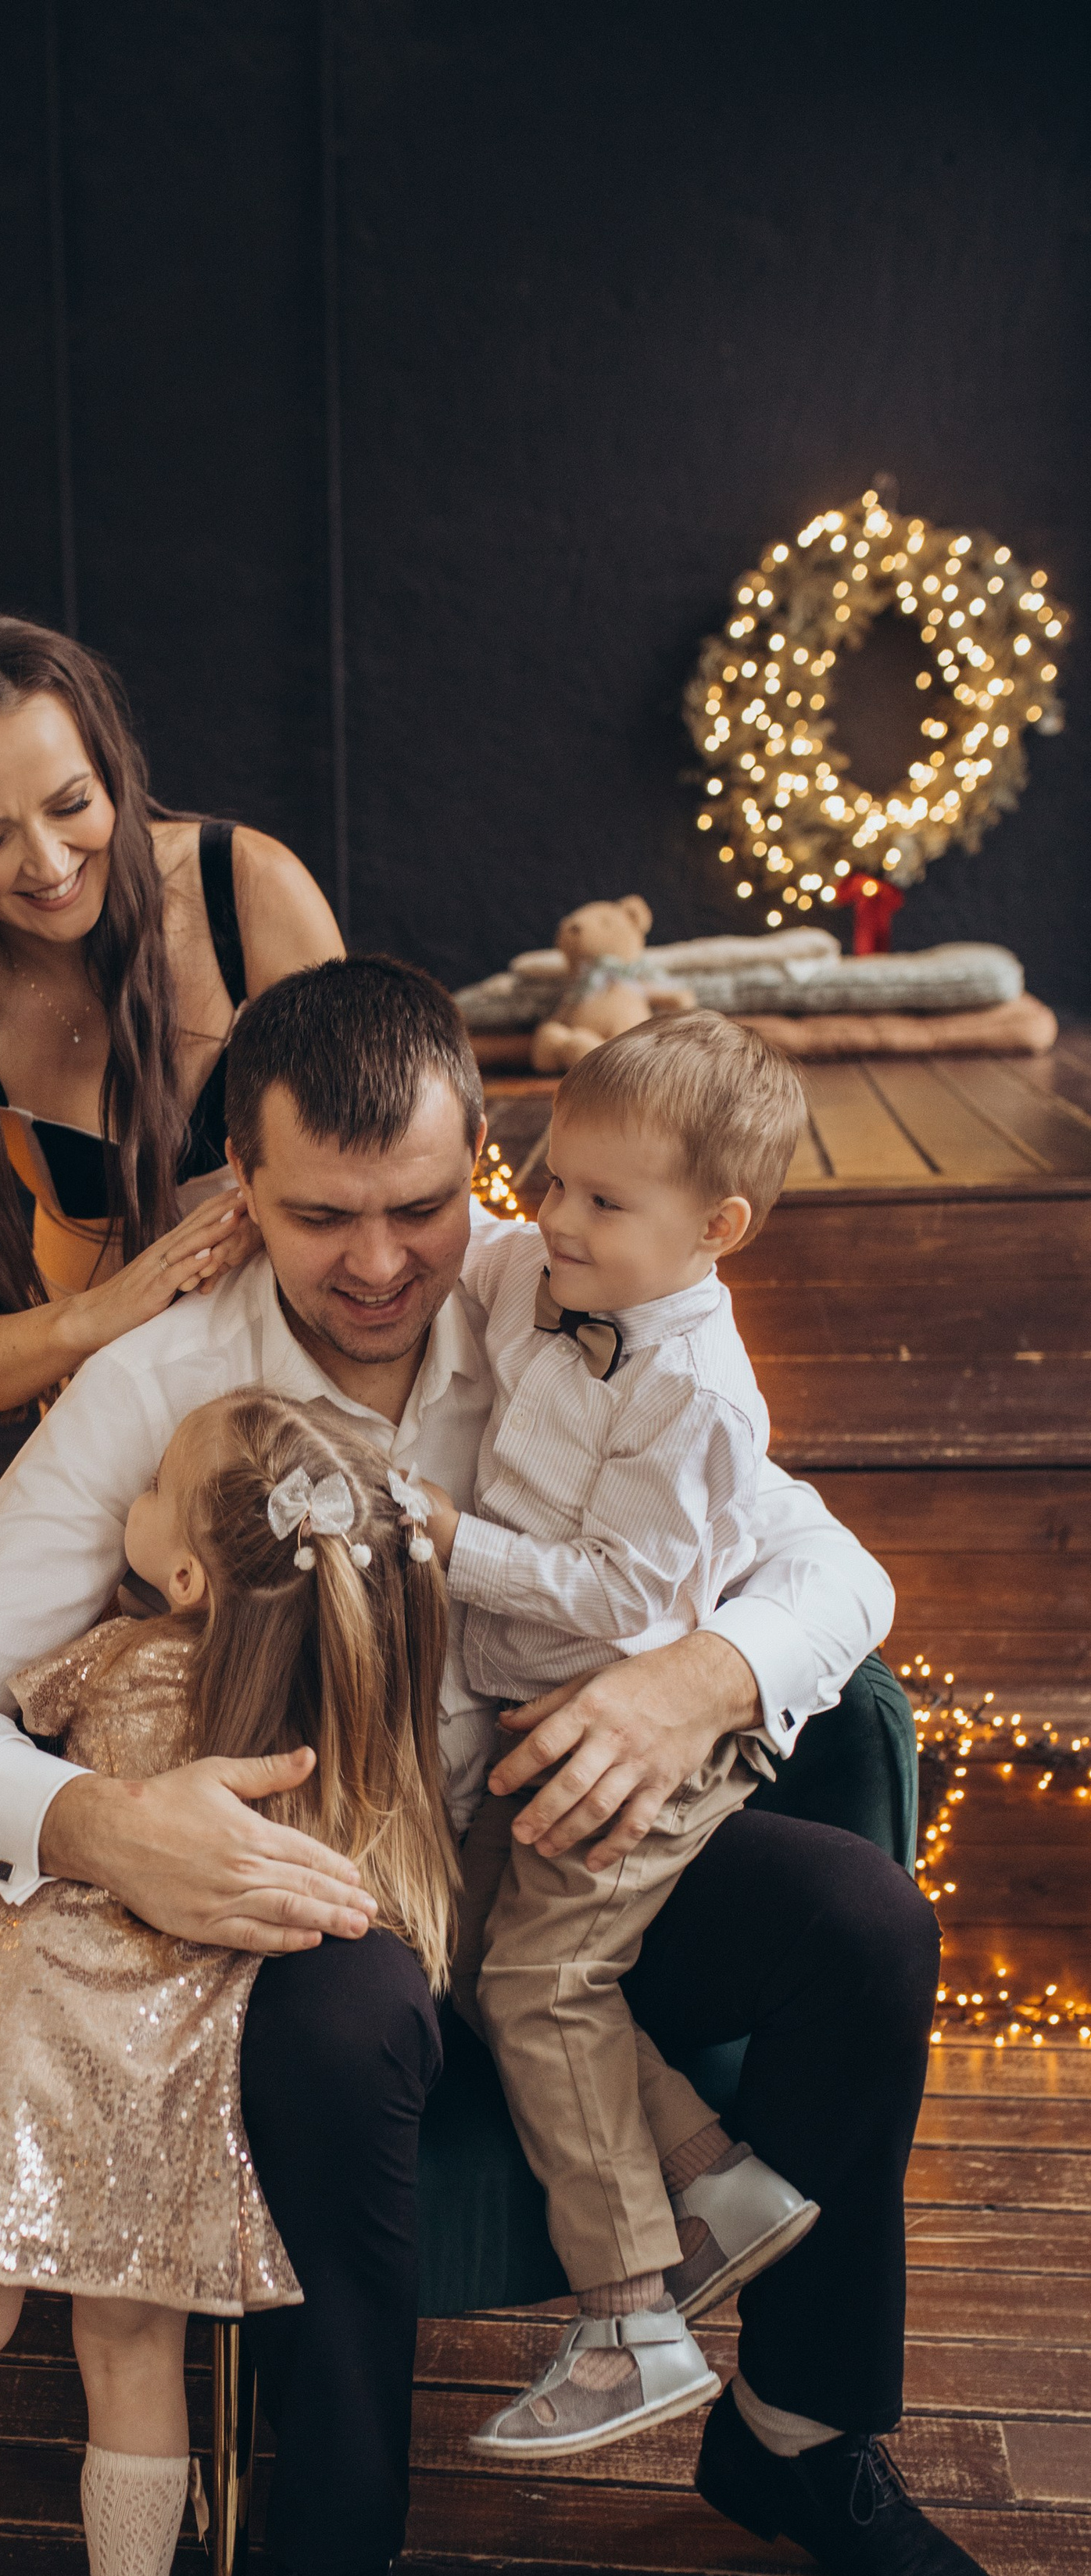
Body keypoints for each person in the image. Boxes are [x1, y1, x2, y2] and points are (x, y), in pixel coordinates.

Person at [0, 955, 1050, 2576]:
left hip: (560, 1843)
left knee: (864, 1930)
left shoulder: (558, 1278)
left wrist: (699, 1677)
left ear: (475, 1163)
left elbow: (831, 1567)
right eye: (321, 1218)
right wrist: (97, 1821)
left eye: (423, 1203)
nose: (386, 1260)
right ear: (240, 1186)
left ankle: (801, 2442)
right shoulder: (150, 1384)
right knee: (339, 2030)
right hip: (334, 1873)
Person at [0, 1388, 460, 2576]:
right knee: (133, 2350)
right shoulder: (312, 1729)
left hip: (25, 2045)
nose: (131, 1500)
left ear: (181, 1573)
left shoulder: (107, 1661)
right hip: (159, 2083)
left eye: (151, 1486)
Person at [403, 1016, 821, 2460]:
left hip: (643, 1729)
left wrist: (455, 1547)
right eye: (551, 1180)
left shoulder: (698, 1396)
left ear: (715, 1230)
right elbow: (454, 1243)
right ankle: (719, 2181)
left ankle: (630, 2318)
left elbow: (636, 1605)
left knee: (537, 1979)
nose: (554, 1218)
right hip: (535, 1714)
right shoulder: (546, 1266)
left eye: (601, 1200)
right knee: (458, 1940)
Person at [0, 609, 344, 1421]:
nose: (46, 864)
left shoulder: (246, 890)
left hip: (317, 1350)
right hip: (114, 1394)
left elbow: (378, 1164)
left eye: (70, 803)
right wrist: (97, 1317)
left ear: (109, 770)